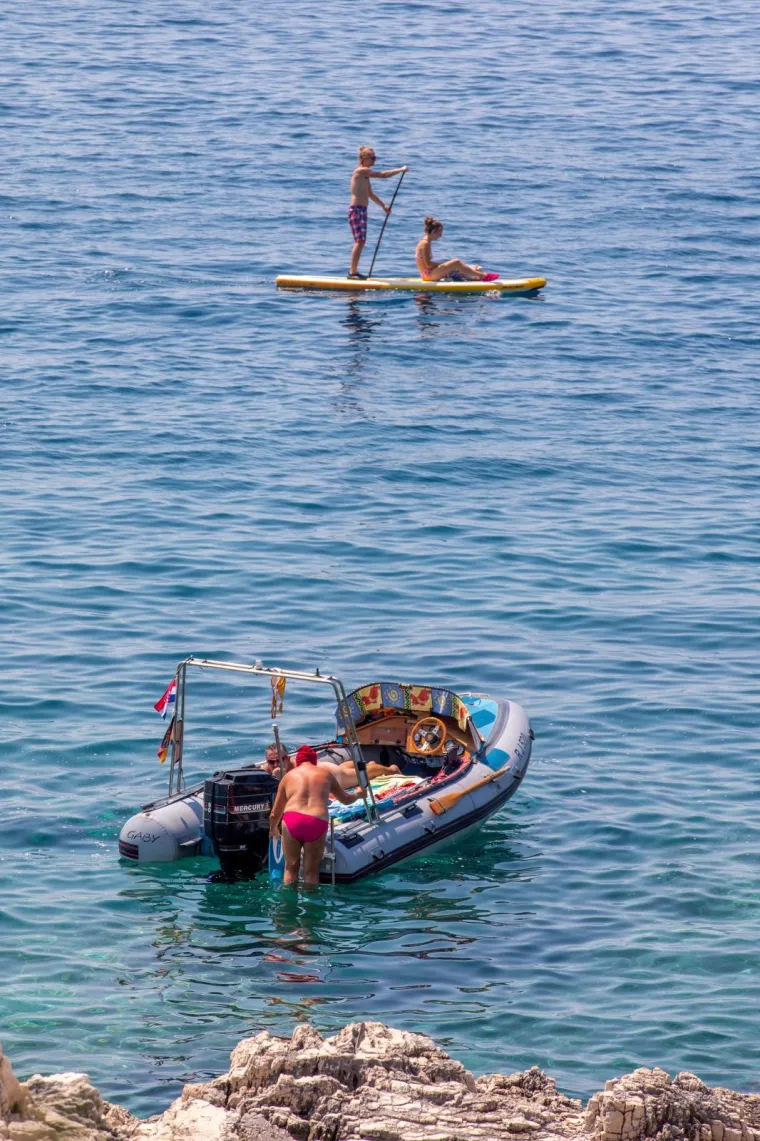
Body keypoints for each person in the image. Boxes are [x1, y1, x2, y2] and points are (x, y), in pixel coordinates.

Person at [269, 745, 360, 886]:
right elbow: (346, 800)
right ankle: (310, 904)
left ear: (298, 761)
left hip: (292, 819)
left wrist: (273, 829)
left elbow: (275, 813)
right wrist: (358, 794)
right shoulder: (325, 774)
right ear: (315, 761)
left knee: (290, 868)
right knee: (310, 871)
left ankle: (287, 906)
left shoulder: (288, 777)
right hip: (316, 820)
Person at [348, 147, 408, 279]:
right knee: (360, 241)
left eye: (375, 157)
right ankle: (352, 272)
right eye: (372, 157)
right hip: (356, 210)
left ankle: (353, 271)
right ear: (363, 159)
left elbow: (370, 194)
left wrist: (383, 206)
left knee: (361, 241)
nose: (374, 160)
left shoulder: (365, 175)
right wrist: (400, 170)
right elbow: (383, 175)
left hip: (362, 210)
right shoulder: (361, 171)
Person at [415, 216, 498, 283]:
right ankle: (483, 276)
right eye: (439, 234)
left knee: (455, 266)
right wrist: (445, 264)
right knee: (456, 262)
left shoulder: (425, 242)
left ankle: (476, 276)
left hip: (429, 274)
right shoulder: (425, 244)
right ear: (433, 232)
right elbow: (428, 264)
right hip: (428, 275)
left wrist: (447, 266)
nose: (440, 236)